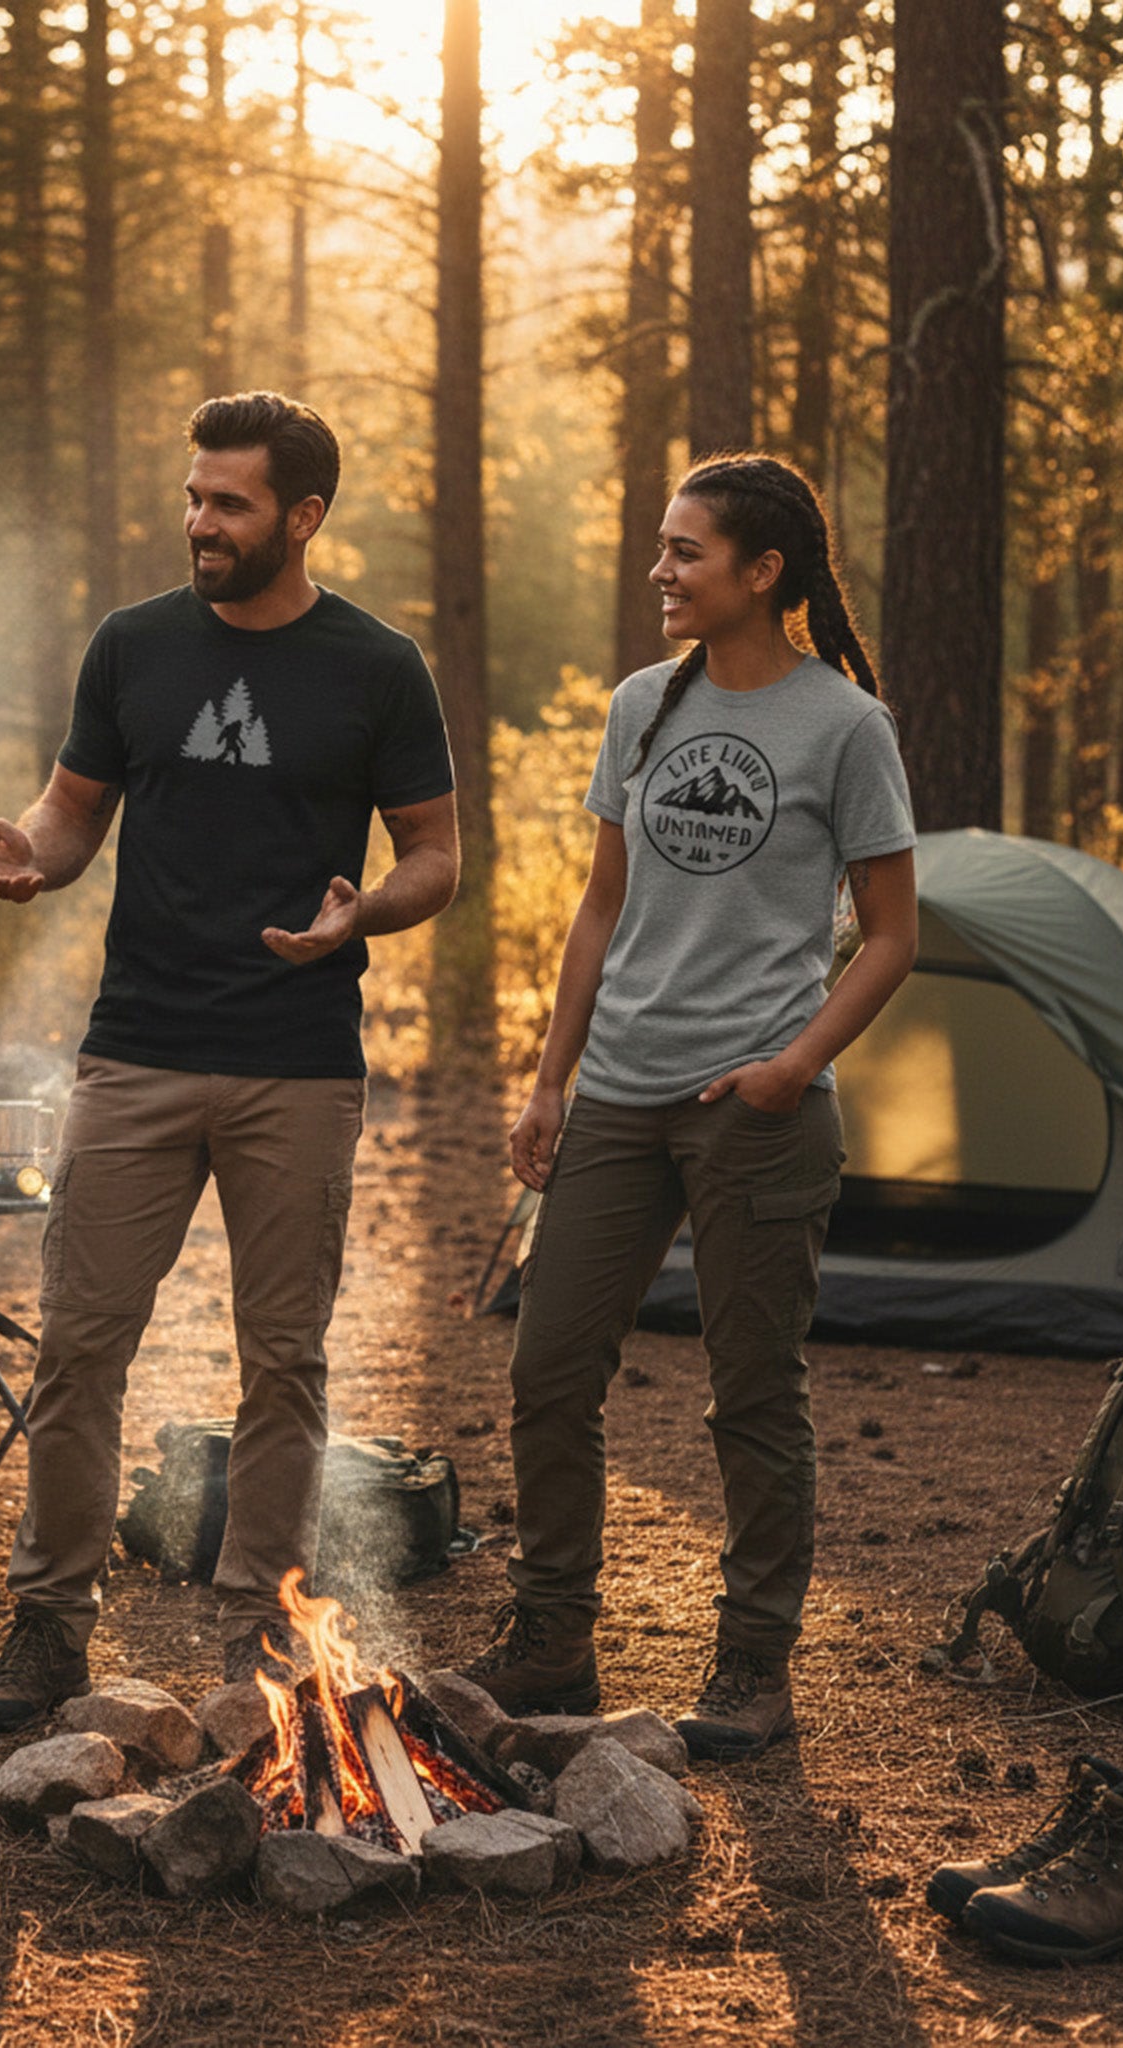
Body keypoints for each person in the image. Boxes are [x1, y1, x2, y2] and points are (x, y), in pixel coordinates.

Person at [0, 391, 460, 1731]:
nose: (200, 522)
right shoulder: (133, 646)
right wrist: (31, 856)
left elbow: (436, 854)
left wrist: (367, 912)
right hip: (137, 1051)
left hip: (298, 1063)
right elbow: (74, 813)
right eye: (193, 497)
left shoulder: (378, 666)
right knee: (79, 1347)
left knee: (282, 1362)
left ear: (304, 516)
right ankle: (49, 1626)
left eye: (229, 503)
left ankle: (263, 1635)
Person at [458, 452, 917, 1763]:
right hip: (619, 1093)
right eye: (661, 547)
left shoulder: (845, 727)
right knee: (549, 1371)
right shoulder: (642, 705)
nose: (659, 570)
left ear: (762, 572)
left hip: (756, 1109)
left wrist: (793, 1064)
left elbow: (892, 936)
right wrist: (551, 1079)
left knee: (753, 1393)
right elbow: (601, 905)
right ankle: (554, 1638)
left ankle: (755, 1665)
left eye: (685, 551)